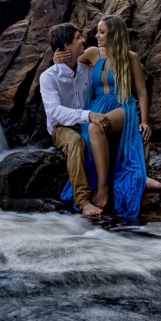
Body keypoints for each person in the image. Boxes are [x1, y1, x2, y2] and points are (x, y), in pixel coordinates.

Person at [53, 15, 161, 218]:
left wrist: (144, 121)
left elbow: (141, 92)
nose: (96, 35)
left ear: (114, 34)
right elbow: (70, 69)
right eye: (97, 31)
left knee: (95, 128)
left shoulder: (130, 57)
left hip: (123, 106)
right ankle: (110, 182)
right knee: (89, 130)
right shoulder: (92, 53)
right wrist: (57, 60)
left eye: (101, 32)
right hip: (96, 106)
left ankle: (103, 189)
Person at [39, 23, 105, 218]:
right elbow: (55, 112)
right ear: (66, 45)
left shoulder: (87, 67)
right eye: (78, 37)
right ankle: (83, 201)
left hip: (88, 123)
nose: (84, 40)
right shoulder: (48, 77)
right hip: (63, 128)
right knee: (76, 142)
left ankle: (135, 177)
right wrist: (88, 115)